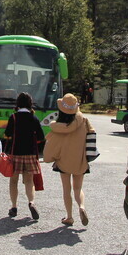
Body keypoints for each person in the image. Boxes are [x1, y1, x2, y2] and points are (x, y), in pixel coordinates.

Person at [42, 93, 95, 226]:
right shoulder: (84, 121)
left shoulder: (58, 126)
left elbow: (51, 147)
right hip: (80, 160)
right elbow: (91, 135)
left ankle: (69, 217)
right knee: (78, 188)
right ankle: (82, 206)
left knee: (67, 189)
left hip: (63, 161)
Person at [4, 92, 45, 220]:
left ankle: (14, 206)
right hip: (30, 153)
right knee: (29, 181)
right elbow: (41, 137)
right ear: (30, 103)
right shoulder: (34, 118)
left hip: (15, 152)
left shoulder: (14, 117)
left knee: (13, 181)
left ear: (18, 103)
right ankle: (31, 202)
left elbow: (7, 134)